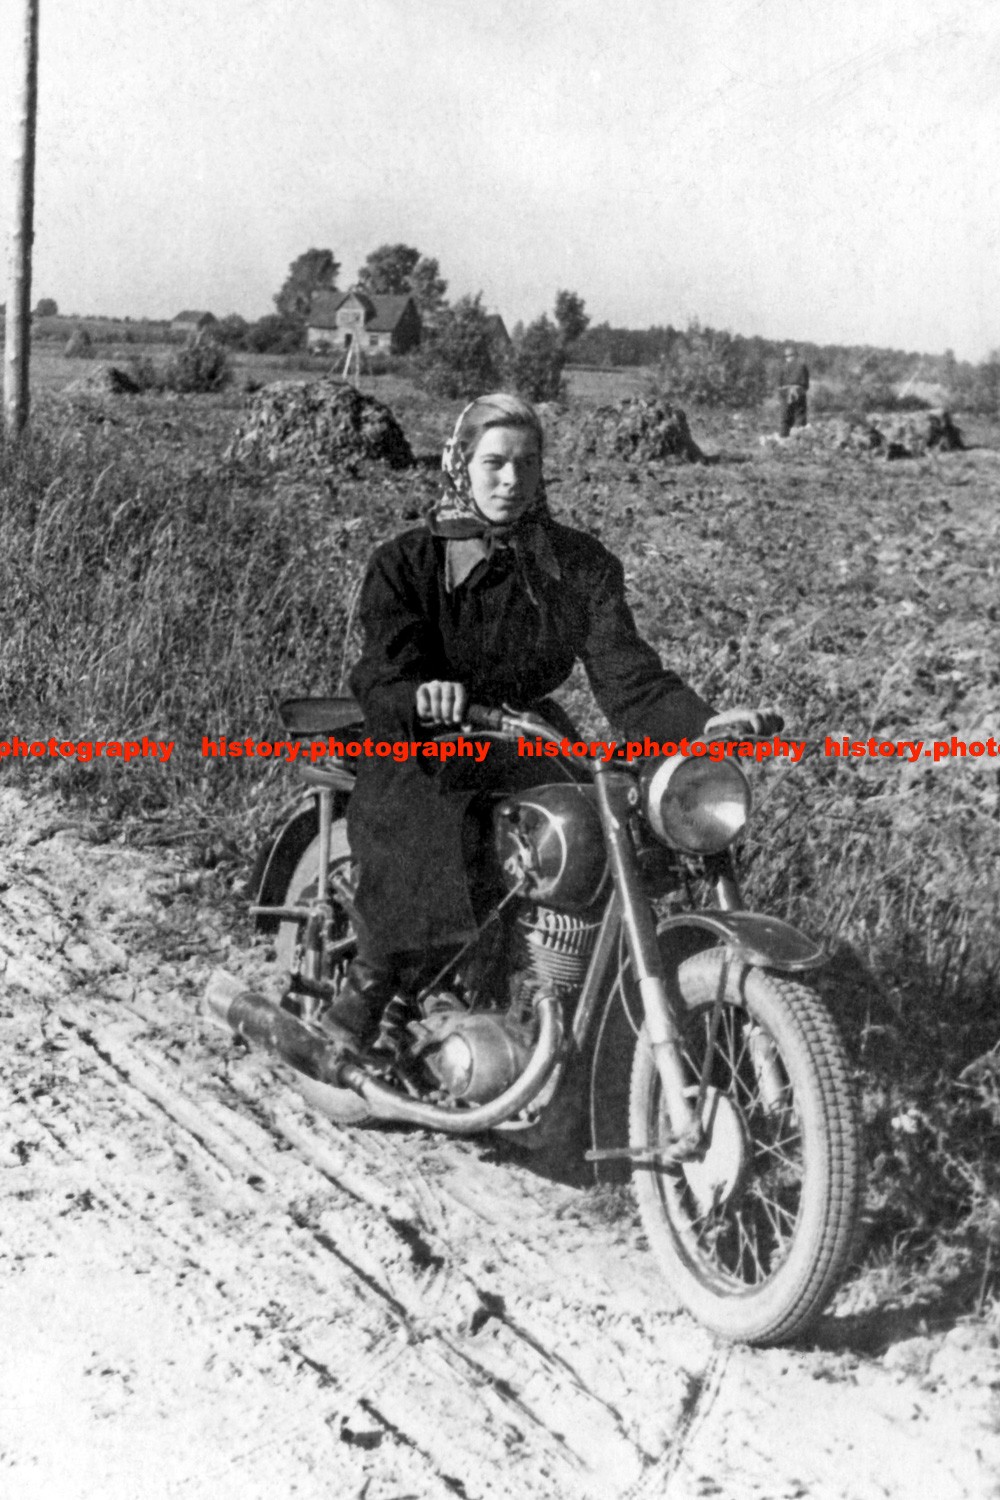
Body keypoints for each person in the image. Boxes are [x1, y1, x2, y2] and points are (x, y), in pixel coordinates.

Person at [328, 392, 772, 1049]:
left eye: (527, 464)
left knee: (604, 824)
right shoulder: (407, 563)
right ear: (458, 463)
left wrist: (699, 729)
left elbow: (632, 678)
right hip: (425, 739)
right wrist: (427, 695)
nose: (511, 481)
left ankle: (556, 992)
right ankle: (369, 993)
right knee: (422, 829)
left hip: (523, 732)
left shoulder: (577, 565)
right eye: (494, 463)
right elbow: (381, 672)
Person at [778, 347, 810, 436]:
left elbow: (779, 383)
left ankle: (783, 438)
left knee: (785, 417)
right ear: (795, 355)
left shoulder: (782, 367)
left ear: (786, 357)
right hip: (798, 391)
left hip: (785, 391)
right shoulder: (802, 365)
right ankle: (798, 439)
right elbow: (806, 383)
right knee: (800, 415)